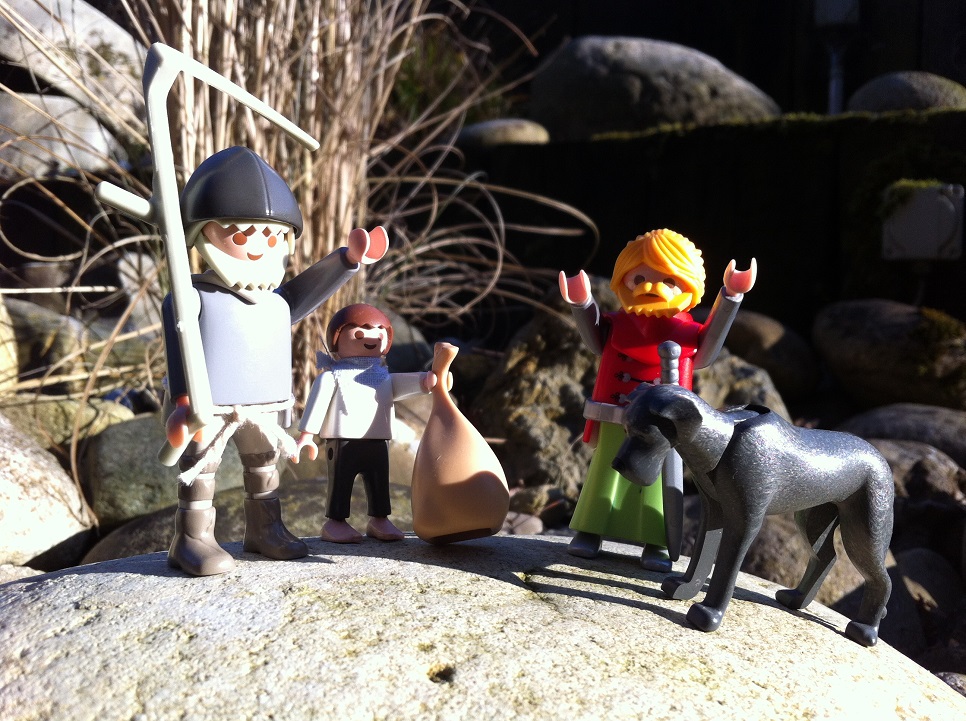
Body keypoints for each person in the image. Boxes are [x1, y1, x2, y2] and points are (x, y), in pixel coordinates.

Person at [162, 146, 388, 576]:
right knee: (202, 467)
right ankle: (191, 538)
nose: (257, 247)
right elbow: (179, 346)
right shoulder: (191, 296)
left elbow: (305, 291)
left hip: (266, 403)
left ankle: (265, 529)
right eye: (241, 235)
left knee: (265, 464)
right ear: (202, 233)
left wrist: (347, 260)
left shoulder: (275, 302)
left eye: (270, 237)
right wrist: (181, 400)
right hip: (210, 404)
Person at [559, 228, 756, 569]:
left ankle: (657, 542)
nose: (651, 287)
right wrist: (582, 302)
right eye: (639, 278)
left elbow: (708, 350)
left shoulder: (688, 333)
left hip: (663, 422)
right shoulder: (617, 324)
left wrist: (731, 296)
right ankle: (590, 531)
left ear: (689, 286)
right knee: (605, 473)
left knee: (660, 483)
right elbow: (594, 340)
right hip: (615, 412)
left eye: (668, 280)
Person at [293, 304, 438, 543]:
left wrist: (425, 381)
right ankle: (335, 522)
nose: (371, 338)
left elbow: (403, 384)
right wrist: (307, 435)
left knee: (379, 481)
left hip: (378, 439)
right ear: (337, 338)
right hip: (343, 440)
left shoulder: (383, 375)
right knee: (340, 482)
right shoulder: (332, 376)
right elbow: (317, 404)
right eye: (359, 333)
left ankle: (380, 519)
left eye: (379, 333)